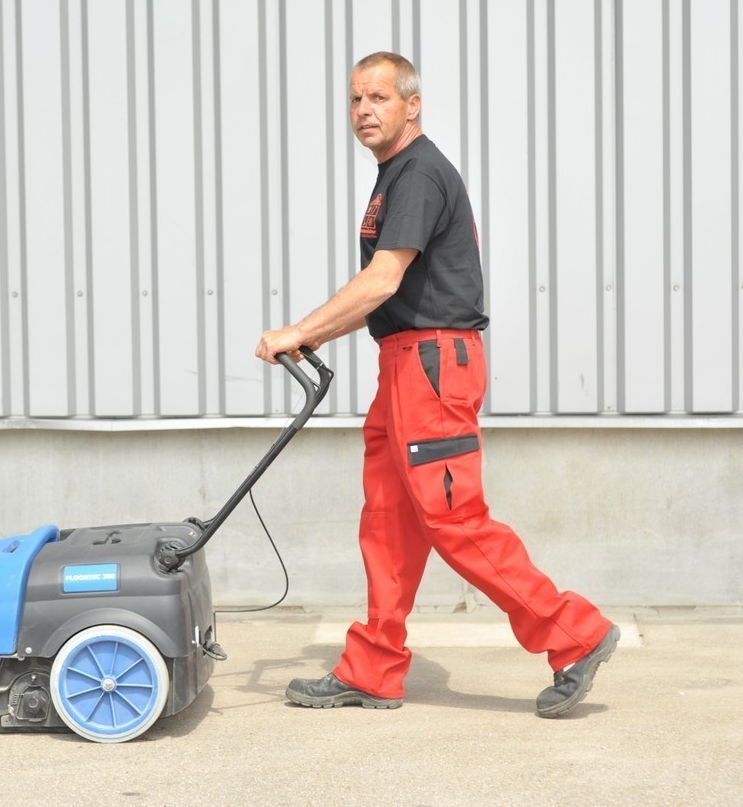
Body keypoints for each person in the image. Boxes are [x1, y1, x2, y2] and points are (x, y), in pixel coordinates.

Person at [255, 51, 618, 718]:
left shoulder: (418, 172)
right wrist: (316, 337)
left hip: (432, 366)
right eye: (356, 99)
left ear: (412, 104)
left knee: (454, 520)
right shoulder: (395, 176)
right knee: (388, 519)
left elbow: (382, 279)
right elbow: (385, 295)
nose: (364, 110)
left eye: (379, 98)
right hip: (402, 361)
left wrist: (298, 329)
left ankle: (575, 633)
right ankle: (373, 668)